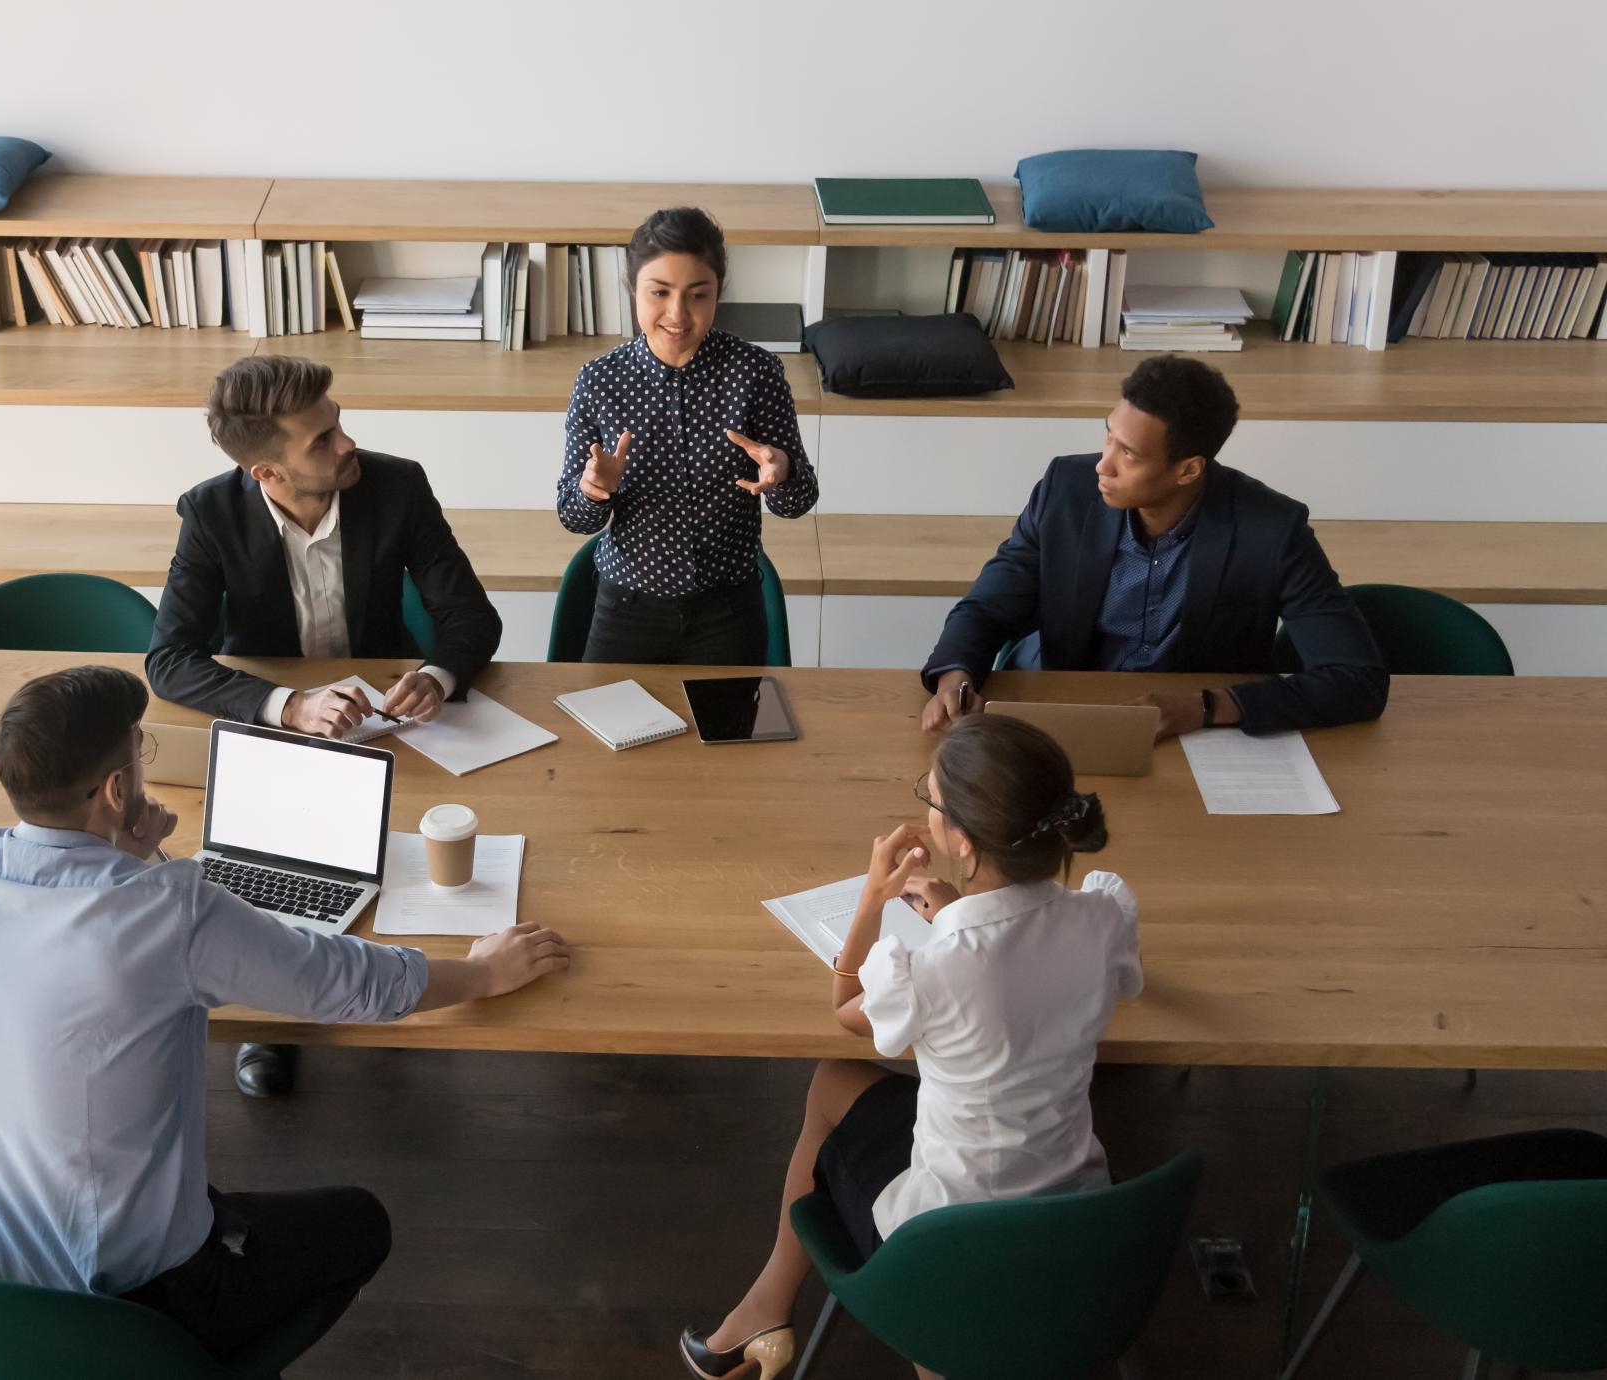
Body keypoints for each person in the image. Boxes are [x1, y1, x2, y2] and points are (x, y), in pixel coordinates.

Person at [0, 665, 570, 1363]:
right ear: (117, 788)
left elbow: (95, 929)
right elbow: (344, 982)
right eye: (140, 749)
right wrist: (481, 973)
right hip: (138, 1307)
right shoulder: (166, 913)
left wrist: (128, 855)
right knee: (360, 1223)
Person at [678, 715, 1138, 1380]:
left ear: (961, 839)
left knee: (835, 1079)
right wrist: (961, 907)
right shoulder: (1102, 917)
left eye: (933, 802)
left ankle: (774, 1316)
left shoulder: (937, 967)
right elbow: (1097, 964)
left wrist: (872, 896)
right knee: (848, 1083)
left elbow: (844, 1010)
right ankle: (764, 1311)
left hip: (948, 1246)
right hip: (1076, 1222)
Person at [148, 354, 505, 1095]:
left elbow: (471, 617)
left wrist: (436, 677)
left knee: (410, 867)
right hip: (279, 741)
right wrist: (287, 705)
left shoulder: (396, 484)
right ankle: (274, 1023)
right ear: (266, 472)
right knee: (286, 878)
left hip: (391, 725)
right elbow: (170, 659)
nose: (346, 445)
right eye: (321, 441)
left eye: (338, 424)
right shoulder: (211, 513)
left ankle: (406, 993)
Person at [919, 354, 1388, 740]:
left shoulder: (1272, 529)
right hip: (1062, 711)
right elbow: (987, 606)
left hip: (1193, 738)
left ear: (1188, 470)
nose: (1103, 465)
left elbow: (1357, 680)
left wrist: (1207, 707)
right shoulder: (1065, 489)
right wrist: (955, 673)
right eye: (1109, 435)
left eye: (1129, 454)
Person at [556, 206, 818, 664]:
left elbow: (797, 503)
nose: (677, 314)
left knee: (729, 734)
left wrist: (782, 470)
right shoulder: (599, 380)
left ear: (718, 293)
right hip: (627, 609)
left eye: (698, 295)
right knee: (609, 732)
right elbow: (575, 518)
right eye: (659, 292)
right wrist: (594, 491)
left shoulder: (756, 372)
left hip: (729, 610)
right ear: (633, 289)